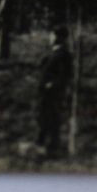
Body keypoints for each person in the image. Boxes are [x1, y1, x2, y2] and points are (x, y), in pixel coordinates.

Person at [36, 26, 73, 156]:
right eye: (51, 35)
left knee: (52, 117)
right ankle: (42, 143)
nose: (51, 38)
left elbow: (65, 74)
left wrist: (53, 84)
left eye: (54, 36)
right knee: (43, 117)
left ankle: (51, 145)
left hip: (53, 92)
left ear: (61, 38)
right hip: (45, 92)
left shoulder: (63, 54)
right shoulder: (53, 53)